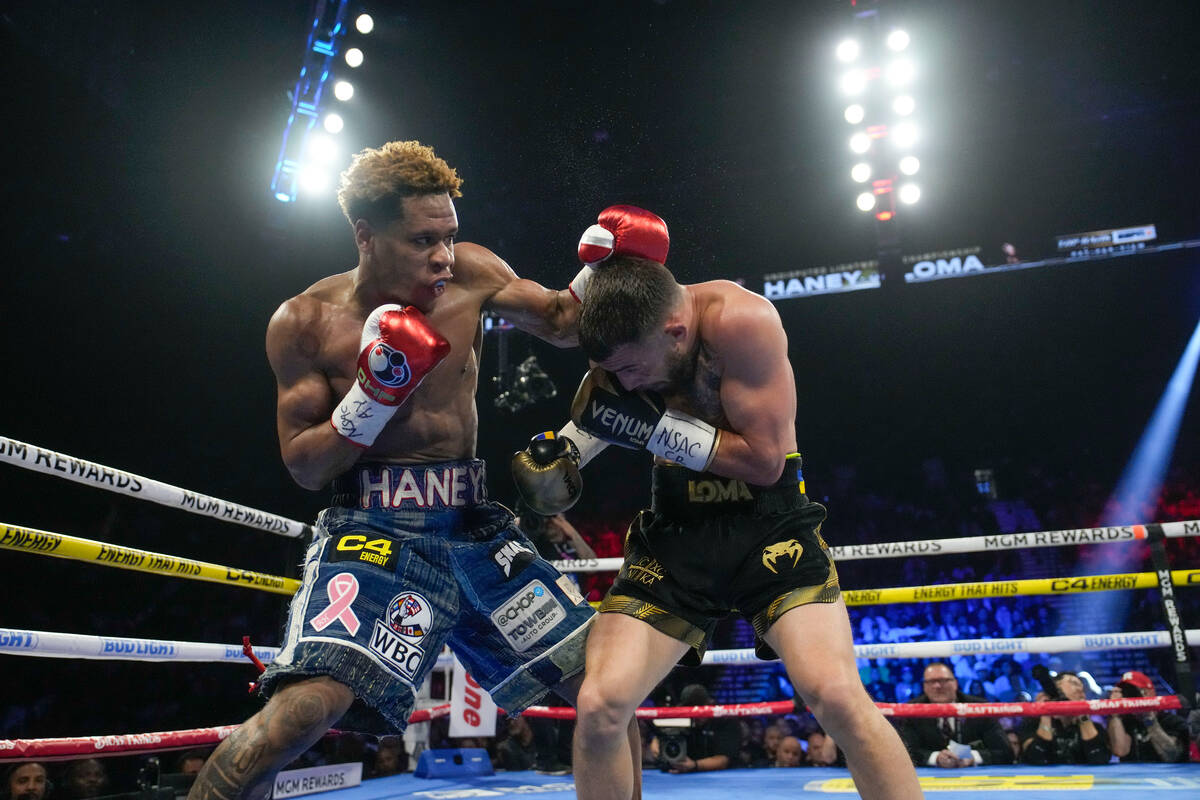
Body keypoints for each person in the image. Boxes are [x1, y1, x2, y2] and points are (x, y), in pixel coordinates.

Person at [188, 141, 638, 800]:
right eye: (423, 240)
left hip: (476, 527)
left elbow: (567, 325)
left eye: (449, 236)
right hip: (373, 531)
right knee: (303, 712)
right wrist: (372, 399)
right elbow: (305, 467)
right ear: (365, 236)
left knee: (607, 686)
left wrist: (608, 267)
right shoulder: (306, 323)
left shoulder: (474, 274)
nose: (443, 257)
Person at [512, 205, 923, 800]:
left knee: (836, 696)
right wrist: (562, 461)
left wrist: (652, 430)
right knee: (601, 705)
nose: (625, 384)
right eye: (612, 371)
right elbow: (607, 406)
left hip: (769, 527)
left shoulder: (742, 321)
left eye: (631, 368)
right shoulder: (622, 345)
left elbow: (765, 462)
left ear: (675, 332)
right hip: (676, 534)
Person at [894, 662, 1013, 768]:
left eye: (943, 680)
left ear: (955, 683)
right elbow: (905, 754)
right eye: (931, 682)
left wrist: (972, 757)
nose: (937, 686)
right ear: (924, 686)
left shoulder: (979, 707)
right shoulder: (911, 710)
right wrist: (936, 758)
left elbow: (1005, 752)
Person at [646, 684, 741, 774]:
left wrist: (694, 765)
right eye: (690, 711)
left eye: (697, 712)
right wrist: (657, 741)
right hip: (681, 777)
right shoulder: (682, 718)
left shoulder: (725, 720)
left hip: (723, 776)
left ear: (709, 705)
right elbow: (663, 733)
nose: (694, 717)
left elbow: (723, 761)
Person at [1019, 671, 1110, 765]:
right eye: (1073, 683)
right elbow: (1036, 758)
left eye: (1082, 687)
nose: (1080, 689)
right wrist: (1045, 711)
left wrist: (1083, 713)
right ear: (1056, 687)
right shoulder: (1033, 724)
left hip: (1083, 778)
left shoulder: (1095, 727)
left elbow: (1099, 758)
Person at [1105, 670, 1189, 762]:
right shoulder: (1125, 722)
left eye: (1134, 691)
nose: (1131, 697)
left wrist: (1149, 719)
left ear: (1151, 693)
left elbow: (1172, 756)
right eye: (1126, 693)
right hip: (1133, 775)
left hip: (1167, 775)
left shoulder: (1172, 721)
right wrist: (1115, 714)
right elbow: (1120, 751)